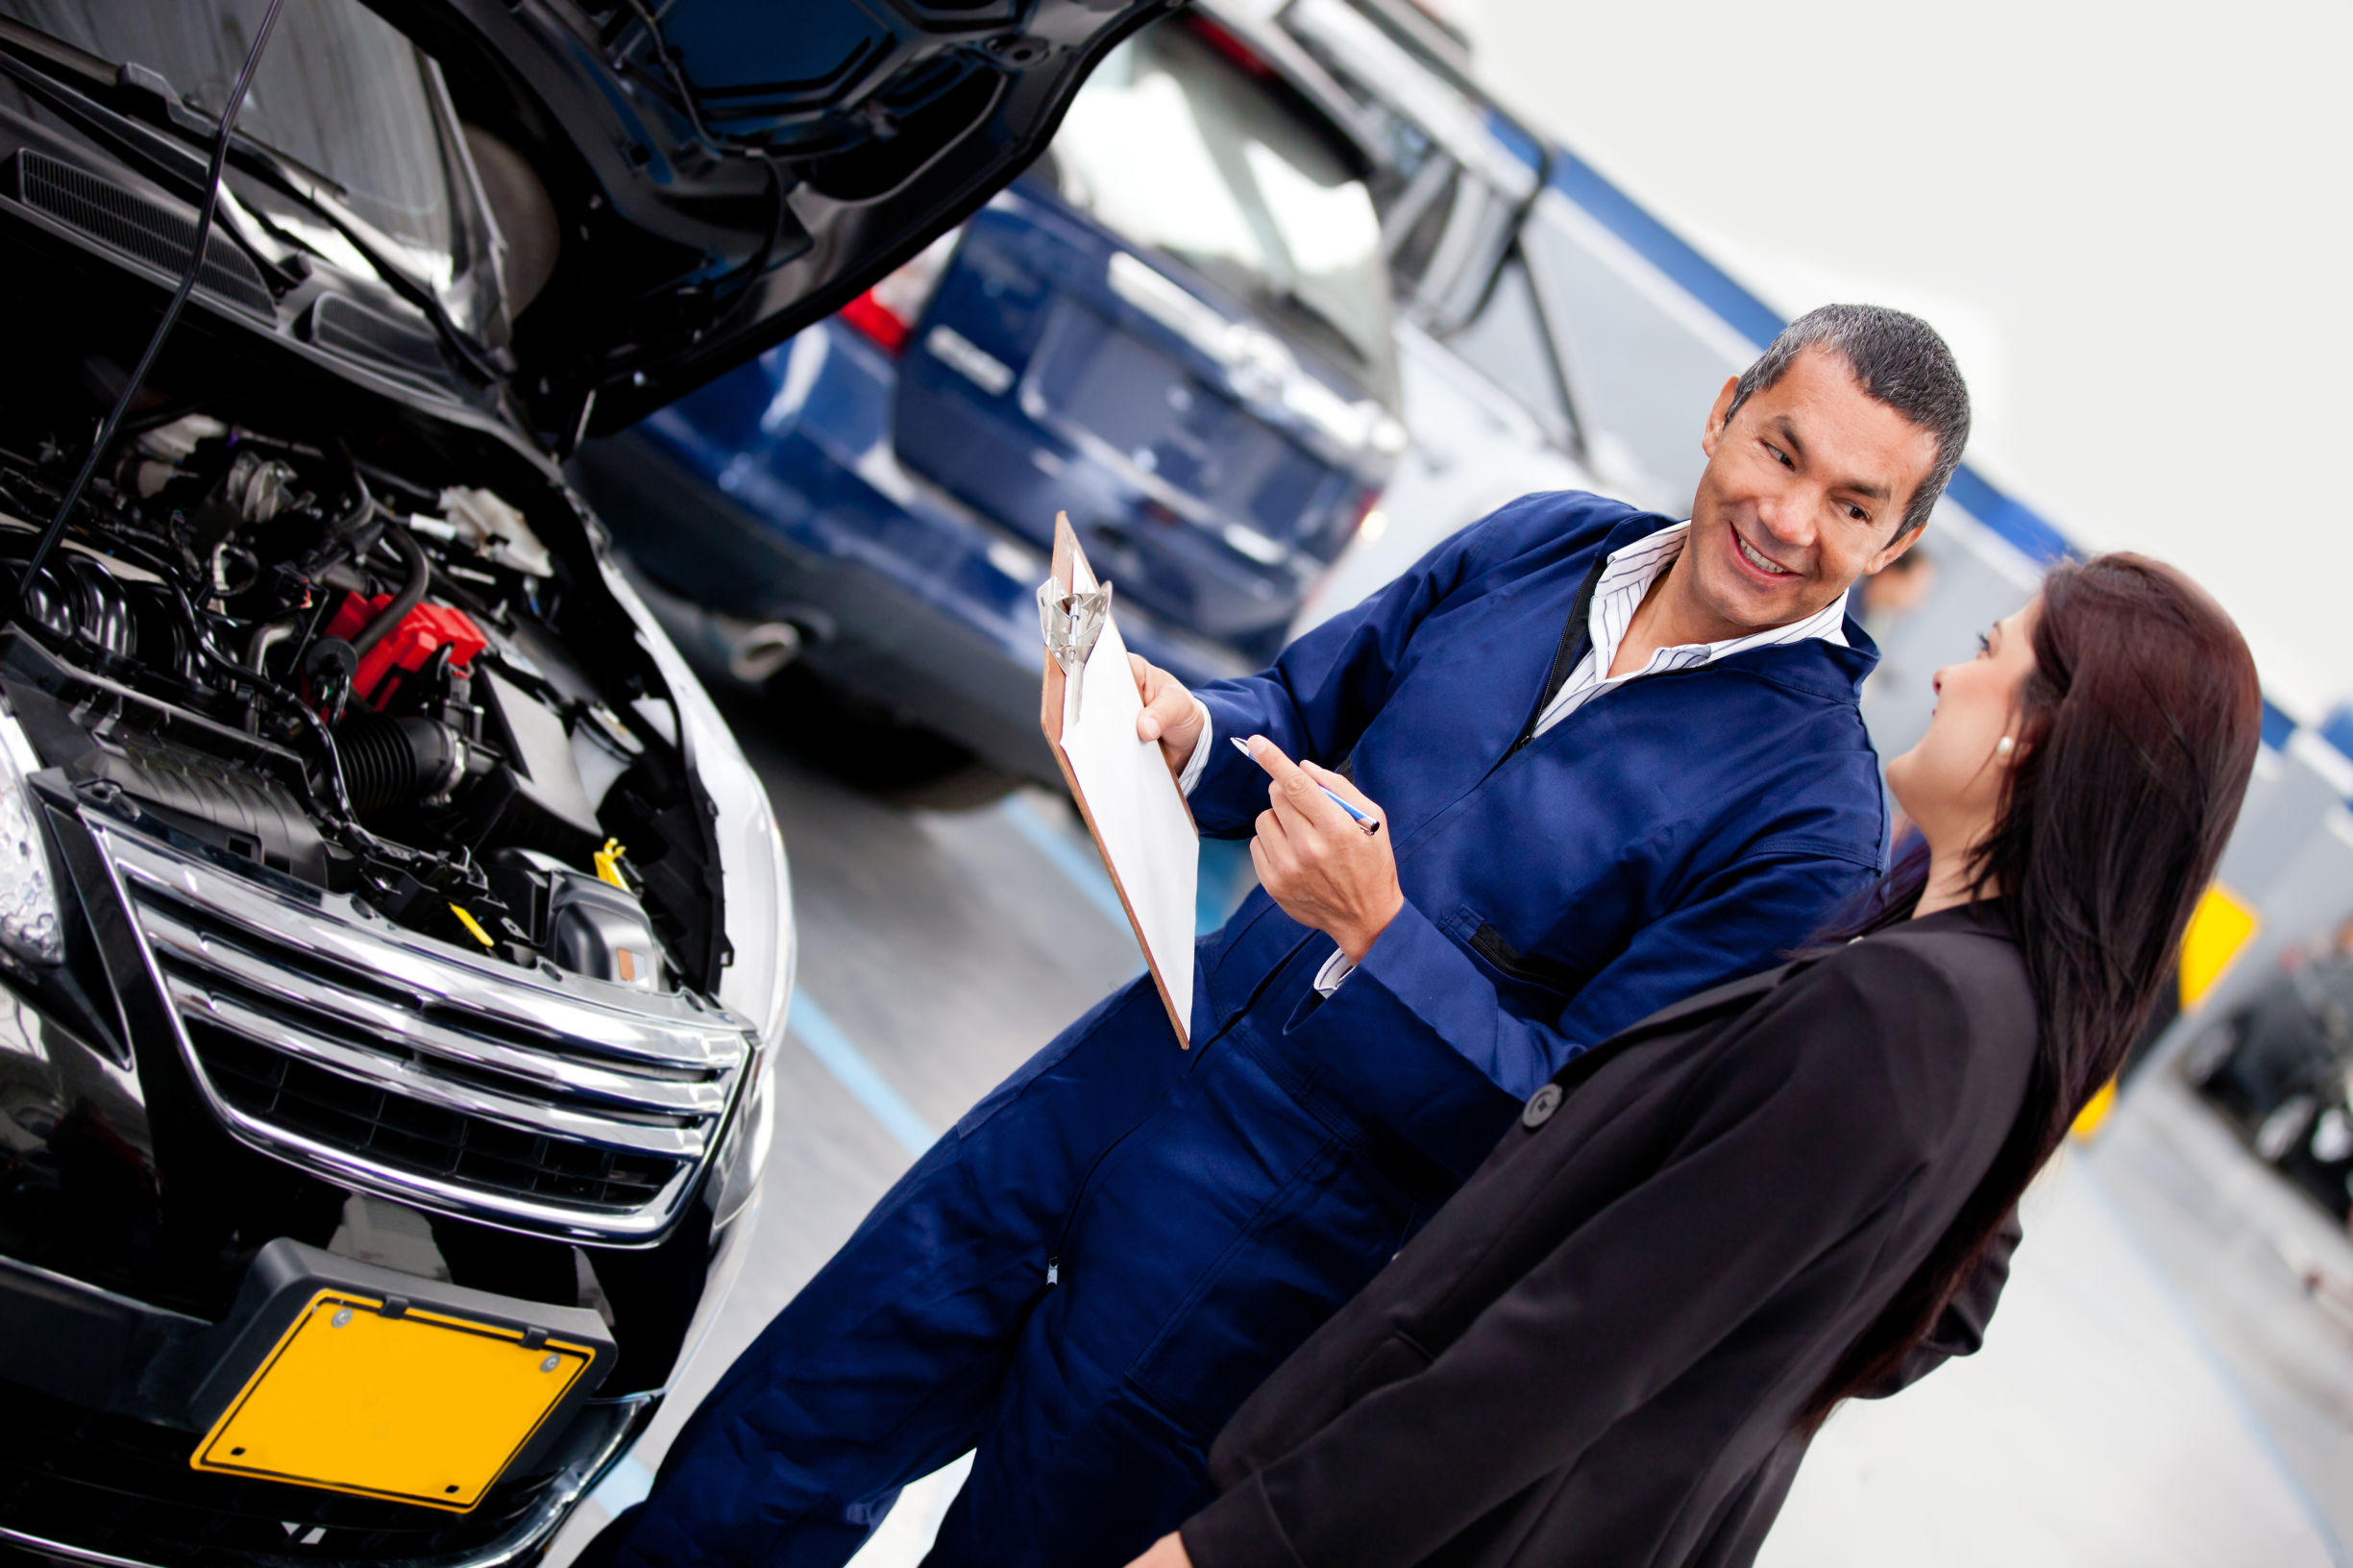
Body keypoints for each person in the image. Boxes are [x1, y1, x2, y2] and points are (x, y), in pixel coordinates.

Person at [589, 305, 1970, 1568]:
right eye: (1780, 453)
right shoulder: (1539, 543)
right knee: (780, 1440)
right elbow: (1304, 713)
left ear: (1896, 546)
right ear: (1726, 406)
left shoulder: (1805, 826)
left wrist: (1382, 939)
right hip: (1130, 1068)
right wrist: (1193, 733)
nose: (1788, 519)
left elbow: (1587, 1139)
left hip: (1278, 1249)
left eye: (1852, 507)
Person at [1134, 552, 2261, 1568]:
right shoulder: (2004, 1020)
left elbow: (1574, 1345)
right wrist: (1742, 1357)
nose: (1944, 677)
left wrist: (1245, 1547)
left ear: (2037, 732)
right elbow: (1935, 1305)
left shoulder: (1904, 1012)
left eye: (1987, 652)